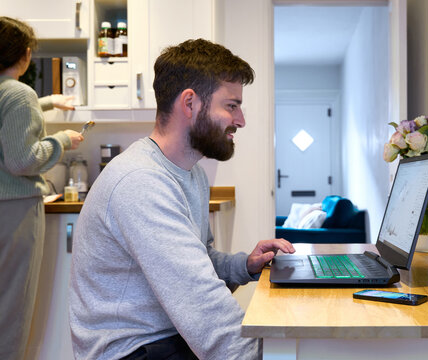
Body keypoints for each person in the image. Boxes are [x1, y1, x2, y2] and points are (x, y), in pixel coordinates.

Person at [69, 38, 295, 360]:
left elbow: (197, 260)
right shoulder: (140, 181)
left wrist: (243, 266)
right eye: (231, 106)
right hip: (134, 351)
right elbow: (201, 305)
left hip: (171, 337)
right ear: (190, 103)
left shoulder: (191, 173)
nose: (241, 120)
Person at [0, 16, 84, 360]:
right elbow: (21, 161)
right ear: (25, 55)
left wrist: (48, 101)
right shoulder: (20, 94)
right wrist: (62, 140)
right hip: (14, 210)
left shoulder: (16, 96)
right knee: (11, 307)